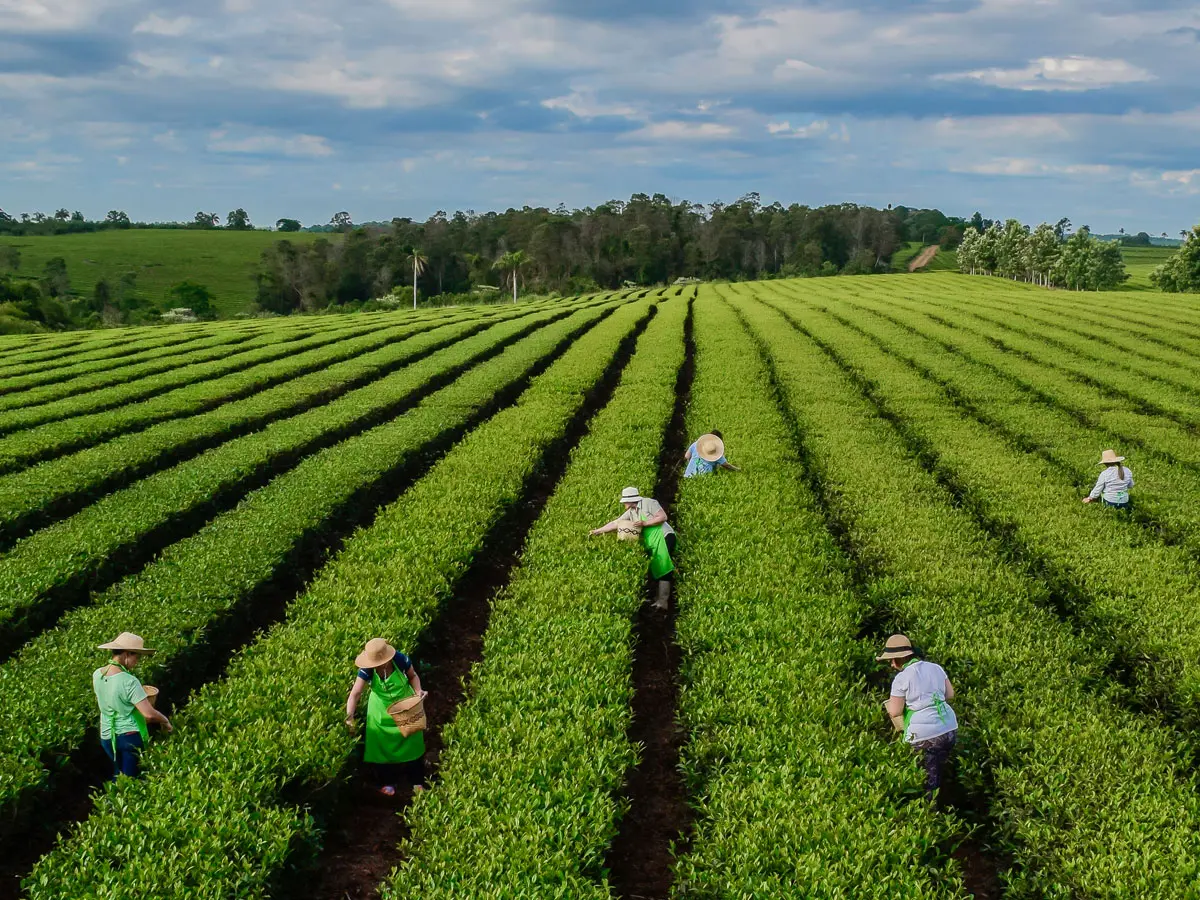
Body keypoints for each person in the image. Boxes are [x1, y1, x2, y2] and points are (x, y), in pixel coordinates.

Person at [878, 634, 958, 802]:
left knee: (926, 780)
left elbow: (894, 712)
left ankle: (930, 814)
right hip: (949, 728)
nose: (892, 664)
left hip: (924, 736)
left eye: (893, 660)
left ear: (902, 658)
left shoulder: (901, 678)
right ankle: (947, 800)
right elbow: (950, 694)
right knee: (939, 769)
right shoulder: (935, 667)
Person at [346, 638, 427, 797]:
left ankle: (417, 780)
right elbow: (355, 694)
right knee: (382, 746)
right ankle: (388, 782)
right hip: (380, 712)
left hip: (405, 706)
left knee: (413, 742)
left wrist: (418, 692)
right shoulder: (367, 670)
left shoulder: (400, 659)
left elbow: (413, 676)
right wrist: (350, 718)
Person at [93, 632, 172, 779]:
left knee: (119, 774)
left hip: (107, 735)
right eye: (137, 656)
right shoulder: (129, 681)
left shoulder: (97, 674)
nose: (138, 661)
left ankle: (113, 799)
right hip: (129, 737)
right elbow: (148, 714)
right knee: (132, 780)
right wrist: (164, 720)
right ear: (127, 654)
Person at [590, 486, 676, 610]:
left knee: (664, 568)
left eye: (625, 501)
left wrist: (645, 523)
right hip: (653, 541)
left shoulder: (649, 503)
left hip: (664, 537)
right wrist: (598, 531)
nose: (624, 503)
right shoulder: (631, 511)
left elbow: (662, 517)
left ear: (631, 499)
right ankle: (658, 599)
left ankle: (663, 602)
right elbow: (616, 523)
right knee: (657, 567)